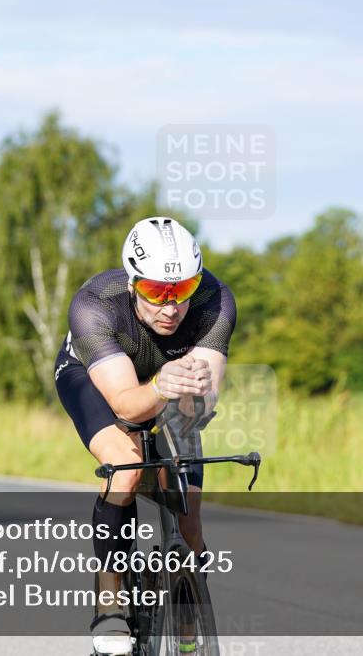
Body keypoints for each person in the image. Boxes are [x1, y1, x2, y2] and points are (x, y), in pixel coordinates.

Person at [54, 217, 236, 655]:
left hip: (169, 385)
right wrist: (158, 386)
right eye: (157, 292)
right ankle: (110, 604)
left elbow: (202, 401)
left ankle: (190, 617)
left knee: (189, 514)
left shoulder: (215, 300)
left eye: (182, 291)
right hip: (97, 379)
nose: (171, 308)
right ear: (134, 283)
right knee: (126, 468)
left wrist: (190, 400)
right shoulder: (94, 304)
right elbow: (124, 404)